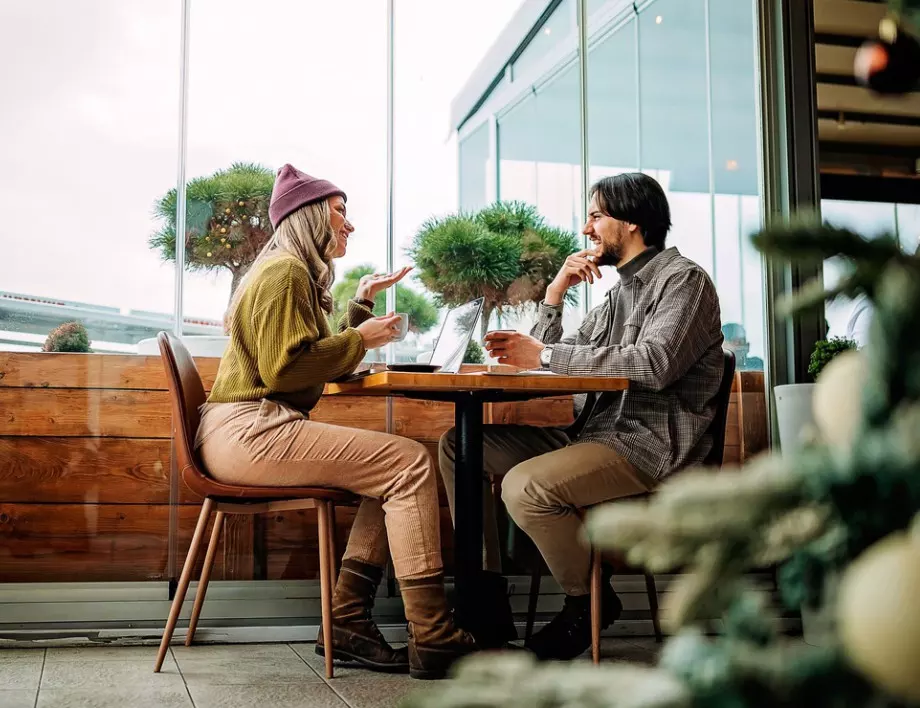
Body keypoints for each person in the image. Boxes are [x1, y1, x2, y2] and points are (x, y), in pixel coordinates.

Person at [198, 164, 475, 680]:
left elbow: (306, 354)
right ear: (308, 217)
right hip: (251, 430)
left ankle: (347, 621)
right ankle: (434, 635)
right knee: (411, 461)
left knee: (389, 470)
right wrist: (363, 339)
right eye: (339, 211)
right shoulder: (285, 273)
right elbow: (287, 368)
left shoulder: (285, 270)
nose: (349, 225)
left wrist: (359, 308)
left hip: (243, 427)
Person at [439, 173, 724, 659]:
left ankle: (586, 602)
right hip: (592, 436)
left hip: (649, 447)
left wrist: (544, 358)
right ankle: (483, 604)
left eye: (596, 216)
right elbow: (552, 355)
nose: (587, 230)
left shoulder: (684, 281)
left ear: (632, 221)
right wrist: (555, 292)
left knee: (525, 486)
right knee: (460, 446)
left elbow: (653, 364)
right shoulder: (615, 296)